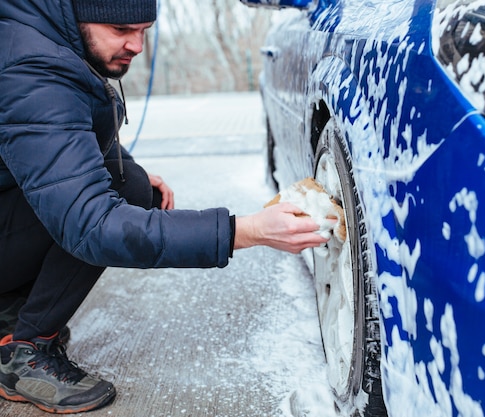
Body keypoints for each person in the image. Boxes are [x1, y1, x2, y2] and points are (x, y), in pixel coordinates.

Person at [0, 0, 329, 413]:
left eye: (144, 31)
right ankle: (22, 355)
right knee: (113, 199)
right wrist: (245, 231)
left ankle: (11, 310)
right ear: (78, 15)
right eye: (122, 31)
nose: (137, 46)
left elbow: (59, 134)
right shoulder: (31, 69)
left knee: (130, 183)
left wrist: (126, 168)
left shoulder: (45, 36)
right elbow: (92, 226)